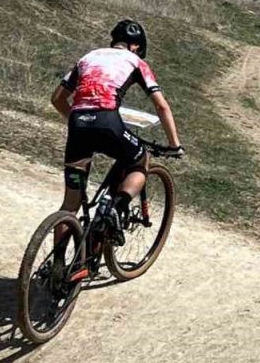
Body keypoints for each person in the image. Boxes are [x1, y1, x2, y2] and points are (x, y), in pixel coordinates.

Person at [51, 20, 183, 244]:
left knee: (70, 205)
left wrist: (80, 122)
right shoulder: (136, 61)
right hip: (107, 121)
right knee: (141, 160)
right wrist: (175, 145)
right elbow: (161, 106)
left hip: (78, 124)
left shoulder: (89, 57)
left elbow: (57, 99)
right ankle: (115, 207)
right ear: (136, 47)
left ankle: (57, 269)